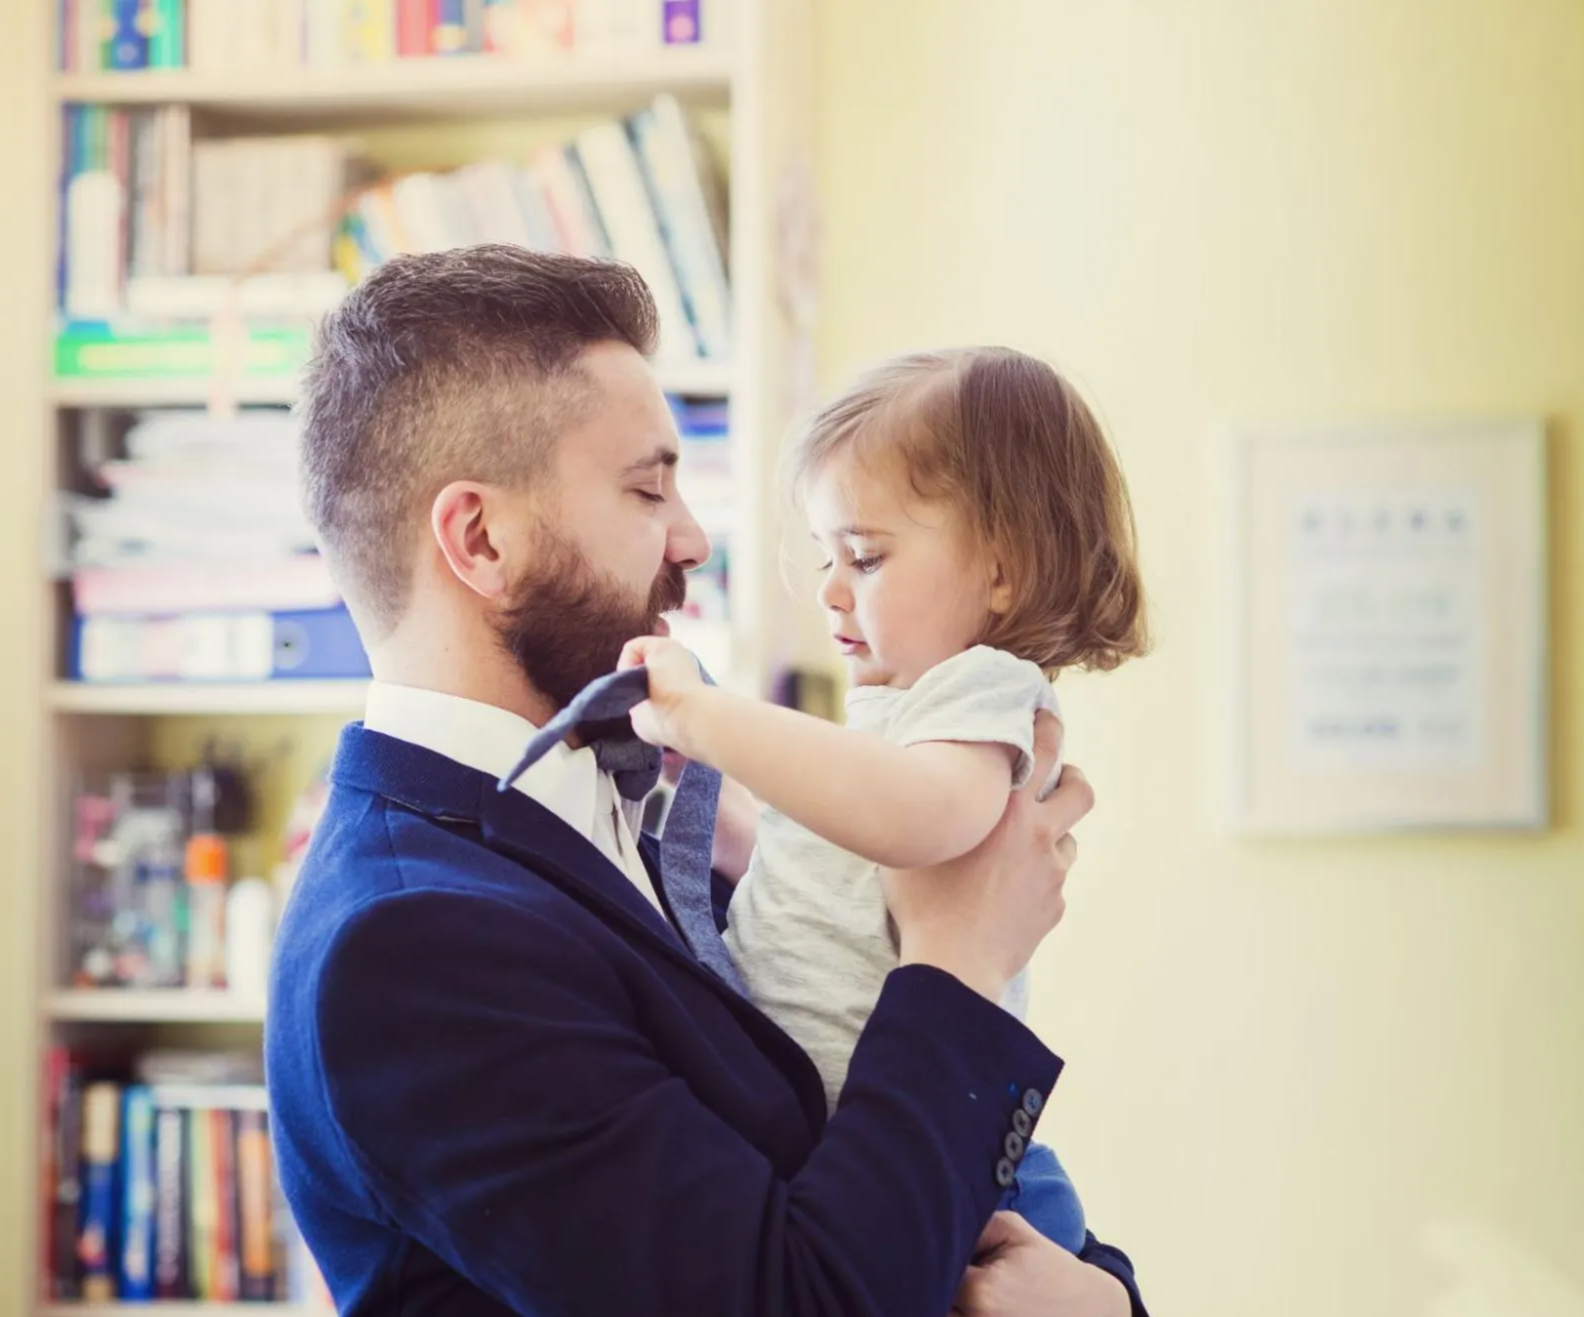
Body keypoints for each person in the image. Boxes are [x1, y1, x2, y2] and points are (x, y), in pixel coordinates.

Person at [265, 244, 1149, 1316]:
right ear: (480, 539)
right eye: (648, 489)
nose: (691, 538)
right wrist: (961, 958)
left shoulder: (670, 796)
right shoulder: (411, 949)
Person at [614, 346, 1148, 1255]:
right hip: (847, 1128)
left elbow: (919, 818)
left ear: (1003, 569)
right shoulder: (905, 709)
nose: (828, 589)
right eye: (826, 553)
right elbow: (842, 873)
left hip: (943, 1153)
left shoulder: (982, 688)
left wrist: (704, 718)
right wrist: (733, 828)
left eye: (862, 555)